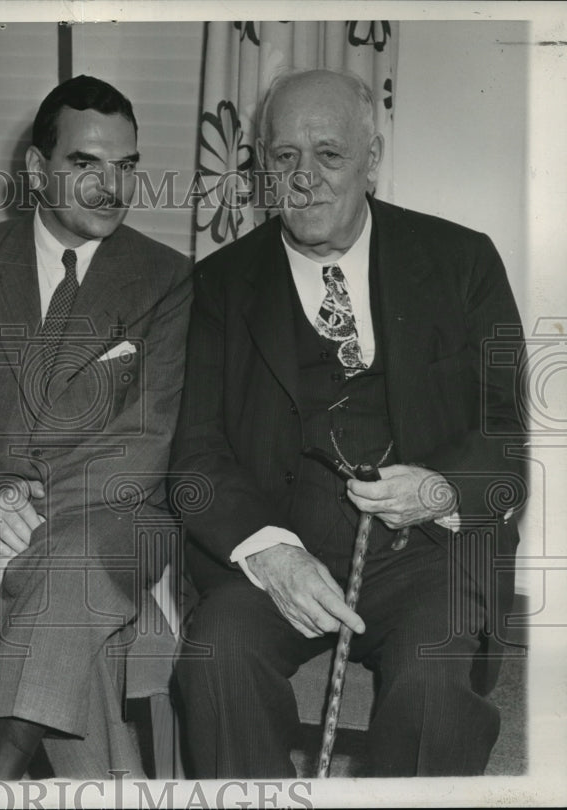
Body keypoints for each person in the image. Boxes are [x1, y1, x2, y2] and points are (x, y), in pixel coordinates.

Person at [170, 69, 526, 777]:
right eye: (284, 157)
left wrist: (441, 489)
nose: (305, 179)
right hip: (282, 548)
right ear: (262, 166)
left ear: (372, 155)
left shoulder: (462, 261)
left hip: (429, 556)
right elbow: (196, 456)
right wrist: (270, 551)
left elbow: (510, 436)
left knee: (433, 692)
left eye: (329, 154)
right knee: (218, 655)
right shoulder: (219, 282)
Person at [0, 75, 192, 779]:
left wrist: (17, 521)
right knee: (72, 605)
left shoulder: (168, 278)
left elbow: (143, 442)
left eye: (126, 166)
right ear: (38, 171)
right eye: (86, 164)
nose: (113, 187)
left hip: (112, 520)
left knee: (70, 566)